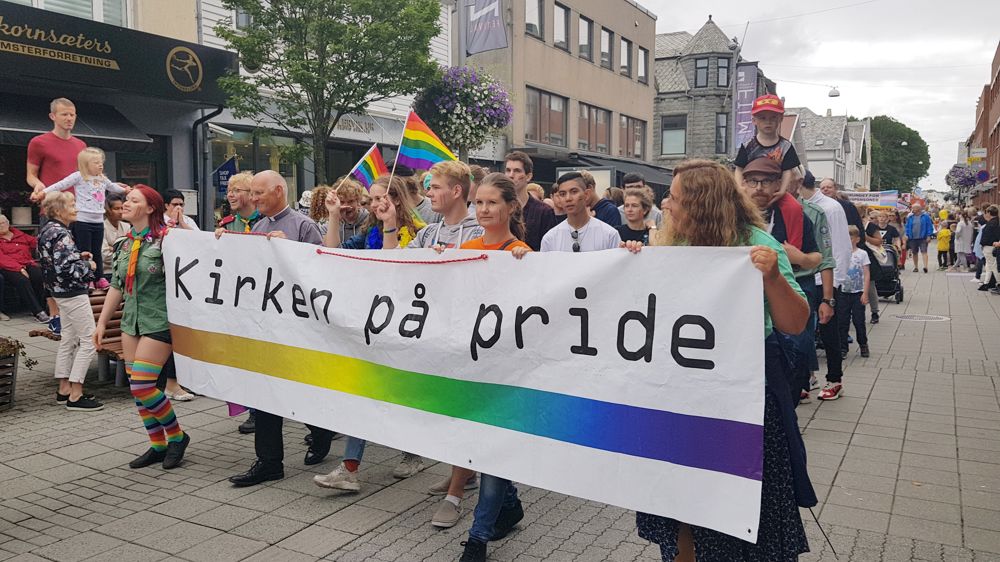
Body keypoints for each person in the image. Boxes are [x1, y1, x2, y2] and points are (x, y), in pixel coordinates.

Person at [636, 159, 810, 562]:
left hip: (742, 396)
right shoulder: (672, 244)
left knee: (738, 499)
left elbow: (795, 323)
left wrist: (773, 279)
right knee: (681, 499)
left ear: (702, 204)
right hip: (683, 394)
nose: (667, 206)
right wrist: (632, 261)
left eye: (674, 198)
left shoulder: (759, 245)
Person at [228, 171, 334, 486]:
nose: (253, 198)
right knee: (265, 392)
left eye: (258, 193)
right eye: (251, 193)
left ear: (277, 191)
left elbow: (322, 271)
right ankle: (269, 461)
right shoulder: (259, 227)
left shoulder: (303, 226)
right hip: (266, 325)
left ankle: (321, 430)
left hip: (297, 327)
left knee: (299, 390)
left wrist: (292, 251)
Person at [458, 173, 534, 562]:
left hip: (505, 373)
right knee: (480, 448)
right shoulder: (467, 248)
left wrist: (526, 267)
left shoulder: (521, 252)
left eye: (492, 203)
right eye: (479, 203)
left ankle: (478, 538)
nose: (484, 210)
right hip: (472, 367)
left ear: (510, 207)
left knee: (492, 453)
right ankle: (510, 503)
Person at [95, 186, 190, 469]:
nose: (125, 204)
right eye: (126, 199)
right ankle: (157, 445)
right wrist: (101, 323)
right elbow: (117, 286)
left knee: (142, 386)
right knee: (138, 391)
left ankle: (177, 437)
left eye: (133, 200)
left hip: (158, 320)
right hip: (131, 323)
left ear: (150, 208)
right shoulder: (124, 244)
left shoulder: (168, 241)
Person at [36, 193, 102, 411]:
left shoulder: (47, 230)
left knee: (69, 339)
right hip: (72, 293)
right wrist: (89, 267)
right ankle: (76, 394)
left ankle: (64, 388)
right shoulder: (62, 233)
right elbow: (66, 269)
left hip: (58, 293)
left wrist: (77, 257)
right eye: (72, 205)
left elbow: (54, 263)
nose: (76, 208)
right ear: (58, 210)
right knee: (89, 341)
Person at [27, 98, 84, 334]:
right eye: (64, 114)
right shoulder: (39, 142)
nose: (69, 118)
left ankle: (78, 313)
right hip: (51, 211)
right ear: (53, 116)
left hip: (77, 211)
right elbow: (31, 175)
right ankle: (55, 314)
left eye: (72, 114)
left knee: (77, 260)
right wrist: (38, 186)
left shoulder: (81, 145)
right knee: (51, 264)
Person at [34, 147, 127, 289]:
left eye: (101, 162)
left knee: (97, 251)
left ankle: (99, 277)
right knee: (85, 250)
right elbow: (61, 184)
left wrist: (126, 190)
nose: (100, 165)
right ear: (85, 165)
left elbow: (113, 187)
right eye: (96, 163)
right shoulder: (79, 176)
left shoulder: (102, 179)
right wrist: (44, 192)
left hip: (98, 220)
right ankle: (87, 278)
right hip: (83, 220)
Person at [800, 171, 852, 401]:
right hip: (804, 276)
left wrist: (834, 285)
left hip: (826, 279)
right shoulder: (796, 206)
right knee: (801, 331)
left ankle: (835, 380)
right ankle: (806, 377)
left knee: (829, 331)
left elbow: (840, 246)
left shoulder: (830, 208)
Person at [324, 175, 423, 250]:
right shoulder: (371, 228)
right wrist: (333, 214)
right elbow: (336, 251)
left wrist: (389, 221)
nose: (373, 205)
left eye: (378, 199)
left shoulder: (418, 232)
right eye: (371, 199)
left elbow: (392, 263)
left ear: (397, 200)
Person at [541, 172, 622, 252]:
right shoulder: (550, 239)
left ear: (586, 194)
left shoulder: (609, 235)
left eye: (574, 192)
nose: (568, 198)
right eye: (562, 194)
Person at [0, 214, 50, 323]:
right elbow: (2, 259)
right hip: (8, 267)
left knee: (38, 276)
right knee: (22, 280)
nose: (1, 226)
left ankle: (42, 306)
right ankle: (38, 312)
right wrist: (19, 268)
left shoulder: (19, 235)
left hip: (27, 263)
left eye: (2, 223)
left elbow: (36, 242)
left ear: (8, 223)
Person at [504, 151, 558, 251]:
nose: (511, 175)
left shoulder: (544, 212)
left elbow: (551, 250)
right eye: (508, 170)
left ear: (528, 176)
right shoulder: (499, 208)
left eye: (517, 171)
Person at [839, 226, 871, 363]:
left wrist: (865, 293)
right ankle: (843, 347)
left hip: (857, 292)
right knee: (842, 321)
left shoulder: (862, 254)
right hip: (842, 292)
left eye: (851, 237)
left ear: (857, 239)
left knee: (859, 321)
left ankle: (863, 344)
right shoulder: (840, 253)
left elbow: (866, 274)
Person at [102, 193, 129, 275]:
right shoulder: (102, 227)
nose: (120, 212)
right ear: (108, 210)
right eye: (116, 208)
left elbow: (130, 250)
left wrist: (112, 248)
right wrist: (122, 249)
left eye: (122, 208)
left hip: (125, 271)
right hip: (108, 272)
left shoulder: (126, 226)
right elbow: (105, 255)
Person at [905, 204, 934, 273]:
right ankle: (916, 267)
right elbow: (907, 227)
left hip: (923, 238)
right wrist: (907, 235)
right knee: (914, 252)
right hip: (912, 238)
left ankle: (925, 267)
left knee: (924, 251)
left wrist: (929, 235)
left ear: (918, 209)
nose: (912, 209)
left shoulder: (926, 216)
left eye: (913, 208)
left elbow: (929, 226)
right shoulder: (910, 217)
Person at [978, 206, 999, 292]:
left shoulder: (991, 223)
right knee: (989, 266)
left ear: (989, 213)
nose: (985, 215)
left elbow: (987, 236)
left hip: (989, 246)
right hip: (991, 246)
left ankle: (998, 283)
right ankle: (986, 283)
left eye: (986, 213)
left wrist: (983, 243)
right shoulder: (995, 222)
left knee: (993, 266)